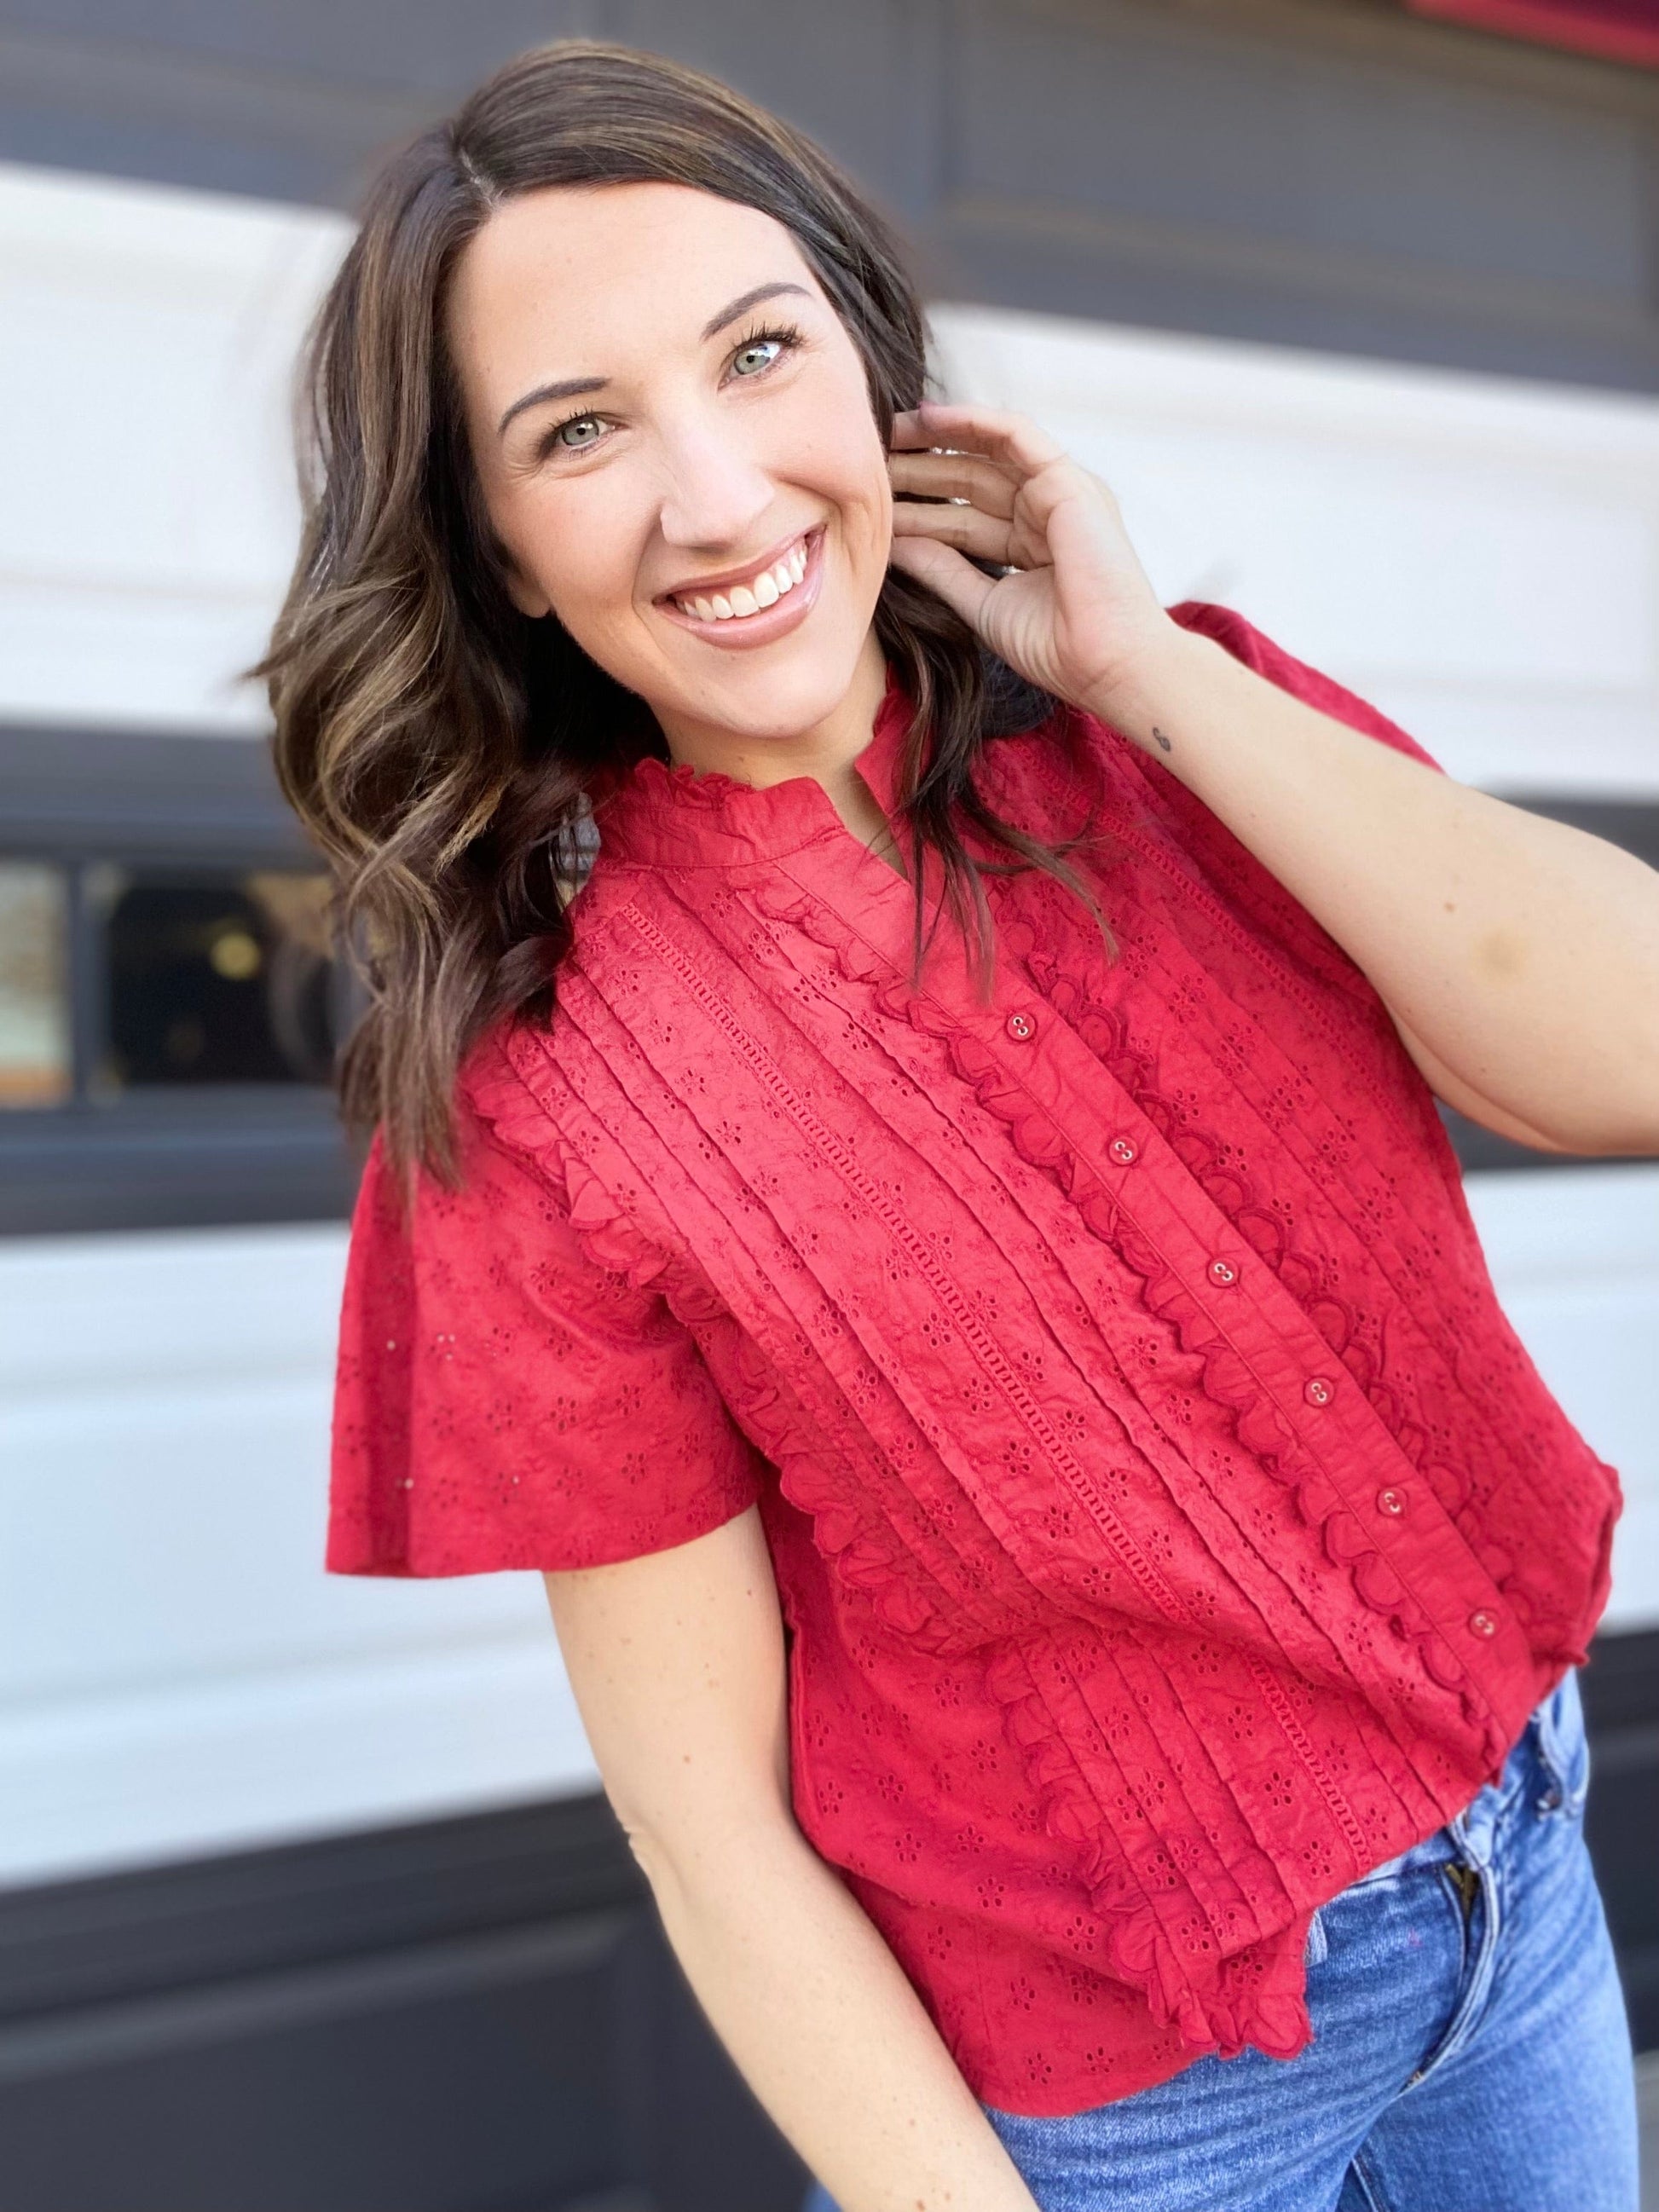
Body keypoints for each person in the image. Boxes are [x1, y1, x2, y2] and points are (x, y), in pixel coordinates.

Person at [262, 40, 1653, 2212]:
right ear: (502, 552)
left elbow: (1626, 1047)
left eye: (757, 354)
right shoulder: (540, 1103)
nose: (716, 495)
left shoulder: (1176, 725)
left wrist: (1144, 673)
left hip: (1526, 1883)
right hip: (1123, 2122)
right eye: (579, 431)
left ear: (868, 367)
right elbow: (707, 1825)